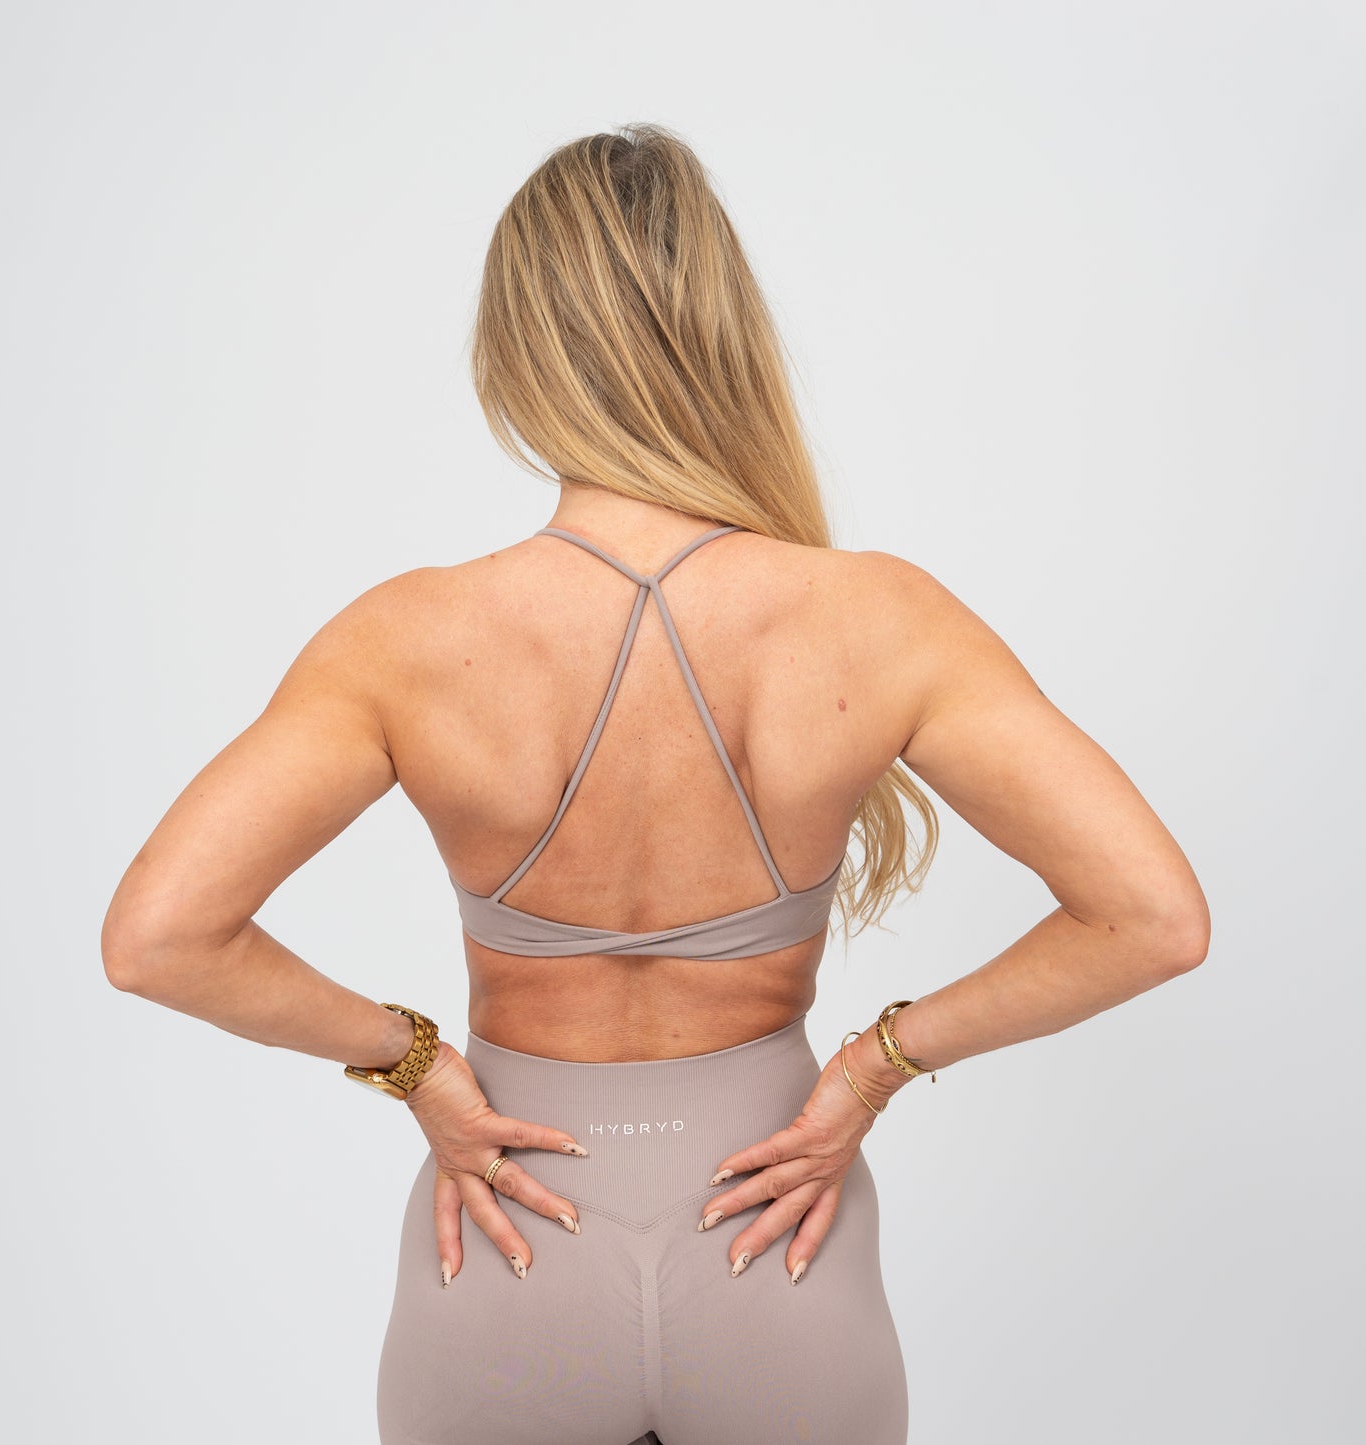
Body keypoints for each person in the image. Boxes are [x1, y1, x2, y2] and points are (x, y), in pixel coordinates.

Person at [101, 123, 1211, 1445]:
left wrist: (414, 1065)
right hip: (776, 1252)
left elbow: (158, 938)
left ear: (513, 347)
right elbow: (1151, 916)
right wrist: (875, 1065)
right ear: (724, 332)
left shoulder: (406, 639)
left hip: (507, 1250)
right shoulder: (878, 620)